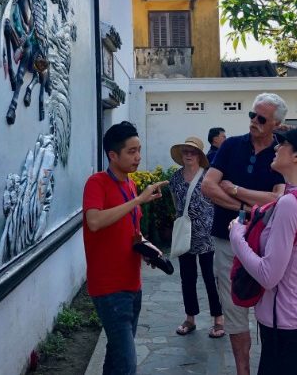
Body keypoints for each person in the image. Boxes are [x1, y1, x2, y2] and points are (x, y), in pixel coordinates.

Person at [229, 126, 297, 374]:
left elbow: (269, 275)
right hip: (294, 322)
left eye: (283, 144)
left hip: (286, 328)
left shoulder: (291, 203)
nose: (276, 148)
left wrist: (237, 237)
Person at [201, 93, 286, 375]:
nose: (254, 122)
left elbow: (280, 199)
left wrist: (235, 190)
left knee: (271, 313)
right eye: (252, 115)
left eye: (261, 119)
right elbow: (208, 187)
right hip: (228, 244)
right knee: (235, 314)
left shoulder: (282, 153)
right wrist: (248, 209)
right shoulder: (232, 146)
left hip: (268, 246)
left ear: (276, 123)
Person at [82, 121, 169, 375]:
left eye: (139, 150)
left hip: (132, 284)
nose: (138, 157)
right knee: (127, 364)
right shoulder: (96, 183)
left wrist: (147, 248)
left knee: (117, 356)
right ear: (113, 155)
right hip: (109, 288)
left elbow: (132, 230)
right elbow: (94, 221)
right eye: (131, 151)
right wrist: (139, 200)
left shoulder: (130, 184)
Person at [168, 136, 224, 338]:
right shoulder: (175, 178)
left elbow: (218, 200)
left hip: (207, 234)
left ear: (200, 156)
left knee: (210, 277)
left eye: (193, 152)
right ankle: (190, 317)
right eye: (185, 152)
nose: (189, 155)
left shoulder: (208, 177)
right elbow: (176, 203)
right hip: (185, 234)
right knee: (187, 277)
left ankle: (218, 319)